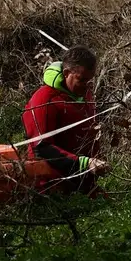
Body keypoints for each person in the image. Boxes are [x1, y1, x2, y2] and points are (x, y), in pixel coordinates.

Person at [22, 46, 107, 194]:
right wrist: (85, 164)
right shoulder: (44, 99)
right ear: (67, 73)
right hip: (51, 185)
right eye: (82, 80)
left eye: (90, 80)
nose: (87, 85)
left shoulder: (83, 93)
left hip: (82, 181)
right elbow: (41, 148)